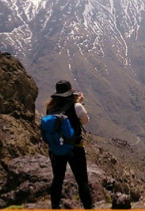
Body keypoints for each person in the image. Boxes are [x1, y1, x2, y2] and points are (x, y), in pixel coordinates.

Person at [45, 80, 93, 209]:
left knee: (57, 179)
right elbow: (85, 121)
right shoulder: (76, 106)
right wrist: (79, 104)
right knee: (82, 180)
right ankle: (88, 206)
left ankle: (55, 205)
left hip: (56, 148)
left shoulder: (50, 107)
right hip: (75, 147)